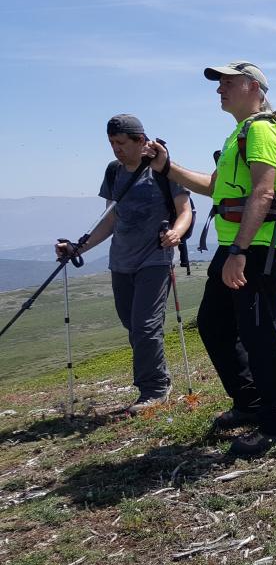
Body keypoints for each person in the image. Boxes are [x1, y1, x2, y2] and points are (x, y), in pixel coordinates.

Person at [147, 60, 276, 456]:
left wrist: (240, 252)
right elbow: (213, 186)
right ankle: (249, 402)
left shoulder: (263, 130)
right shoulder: (239, 134)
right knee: (214, 324)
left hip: (256, 247)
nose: (220, 90)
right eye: (220, 84)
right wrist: (167, 167)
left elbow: (263, 194)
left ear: (253, 87)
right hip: (236, 245)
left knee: (260, 331)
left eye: (227, 83)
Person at [55, 114, 191, 414]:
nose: (116, 149)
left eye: (121, 142)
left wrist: (176, 233)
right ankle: (155, 379)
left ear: (141, 140)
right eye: (112, 143)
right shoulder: (114, 171)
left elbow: (185, 210)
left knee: (145, 326)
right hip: (121, 260)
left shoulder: (162, 167)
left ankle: (154, 388)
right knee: (133, 326)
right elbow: (110, 220)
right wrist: (79, 248)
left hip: (156, 257)